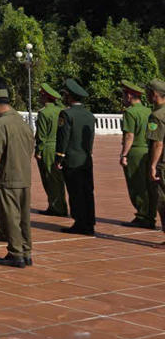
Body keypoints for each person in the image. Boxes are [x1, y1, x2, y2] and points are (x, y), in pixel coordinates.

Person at [0, 84, 36, 267]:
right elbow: (30, 149)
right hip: (25, 176)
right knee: (24, 216)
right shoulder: (23, 123)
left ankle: (15, 253)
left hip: (8, 176)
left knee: (11, 216)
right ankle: (26, 251)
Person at [55, 79, 96, 236]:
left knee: (75, 192)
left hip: (71, 160)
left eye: (65, 95)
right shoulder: (89, 115)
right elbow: (90, 139)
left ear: (70, 96)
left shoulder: (66, 114)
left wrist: (59, 158)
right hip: (86, 159)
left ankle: (80, 223)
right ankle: (90, 222)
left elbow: (63, 138)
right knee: (87, 191)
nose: (64, 98)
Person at [118, 80, 155, 228]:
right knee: (149, 186)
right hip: (148, 150)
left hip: (135, 152)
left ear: (129, 96)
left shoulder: (130, 112)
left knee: (136, 185)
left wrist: (124, 154)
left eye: (123, 95)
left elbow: (129, 136)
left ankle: (143, 216)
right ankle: (150, 215)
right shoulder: (149, 111)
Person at [34, 84, 68, 217]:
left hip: (48, 148)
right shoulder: (62, 110)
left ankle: (56, 207)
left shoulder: (44, 113)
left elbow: (41, 135)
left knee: (49, 178)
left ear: (45, 97)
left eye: (41, 95)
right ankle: (59, 205)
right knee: (58, 179)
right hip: (60, 147)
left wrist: (38, 151)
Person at [144, 79, 165, 240]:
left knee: (162, 200)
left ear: (154, 94)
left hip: (163, 164)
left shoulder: (156, 116)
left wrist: (152, 165)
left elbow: (158, 143)